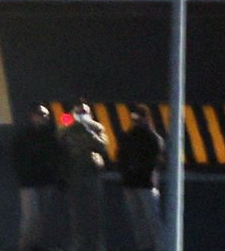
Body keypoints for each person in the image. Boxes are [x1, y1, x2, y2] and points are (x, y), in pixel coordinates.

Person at [58, 99, 108, 251]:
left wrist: (89, 131)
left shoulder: (97, 127)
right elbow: (60, 145)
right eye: (79, 112)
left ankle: (97, 244)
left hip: (91, 172)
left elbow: (103, 147)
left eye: (85, 112)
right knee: (76, 212)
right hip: (74, 174)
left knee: (95, 212)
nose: (82, 114)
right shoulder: (66, 127)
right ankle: (77, 244)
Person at [11, 103, 62, 251]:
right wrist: (23, 173)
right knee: (31, 216)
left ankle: (37, 245)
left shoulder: (51, 136)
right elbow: (16, 157)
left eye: (46, 115)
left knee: (43, 216)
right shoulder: (24, 136)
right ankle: (25, 246)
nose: (45, 118)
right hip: (29, 181)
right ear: (33, 116)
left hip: (45, 180)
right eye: (41, 115)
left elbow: (56, 156)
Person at [117, 104, 165, 251]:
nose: (136, 121)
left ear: (145, 118)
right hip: (130, 184)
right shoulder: (128, 136)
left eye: (139, 117)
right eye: (134, 118)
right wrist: (126, 171)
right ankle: (144, 248)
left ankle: (160, 248)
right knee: (138, 221)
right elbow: (120, 157)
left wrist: (138, 169)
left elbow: (154, 160)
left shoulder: (152, 138)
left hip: (146, 184)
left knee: (152, 220)